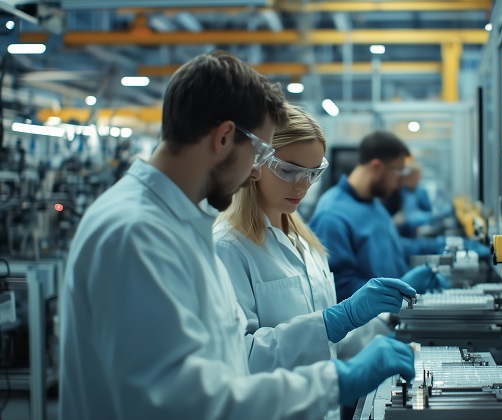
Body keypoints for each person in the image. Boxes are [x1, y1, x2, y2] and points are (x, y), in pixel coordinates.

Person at [59, 51, 415, 420]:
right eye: (260, 152)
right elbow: (183, 402)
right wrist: (333, 382)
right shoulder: (136, 233)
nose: (256, 172)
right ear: (225, 137)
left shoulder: (178, 225)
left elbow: (223, 363)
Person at [213, 103, 409, 419]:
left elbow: (330, 347)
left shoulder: (305, 240)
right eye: (289, 170)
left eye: (313, 173)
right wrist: (332, 321)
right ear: (256, 162)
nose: (303, 186)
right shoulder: (229, 247)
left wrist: (381, 323)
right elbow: (241, 358)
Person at [309, 131, 456, 303]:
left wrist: (438, 246)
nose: (401, 181)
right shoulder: (332, 216)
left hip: (394, 311)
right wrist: (397, 290)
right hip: (370, 327)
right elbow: (340, 288)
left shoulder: (373, 203)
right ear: (376, 167)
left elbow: (390, 247)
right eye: (398, 172)